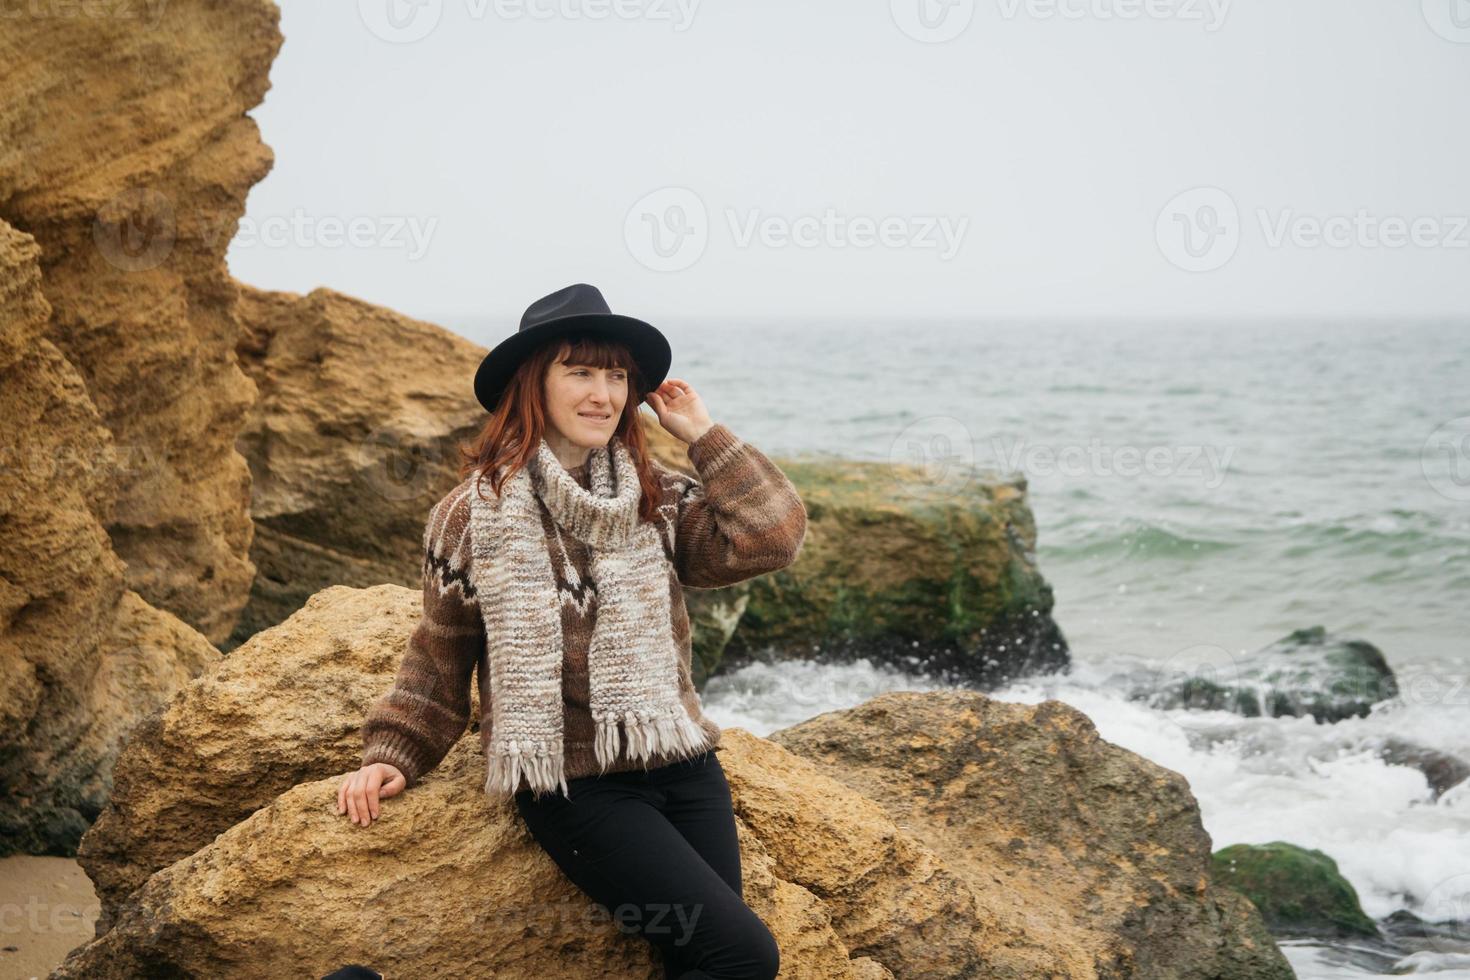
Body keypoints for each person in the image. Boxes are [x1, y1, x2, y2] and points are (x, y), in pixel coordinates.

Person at [336, 284, 806, 980]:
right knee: (742, 954)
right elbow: (439, 654)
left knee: (700, 958)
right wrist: (394, 751)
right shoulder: (469, 519)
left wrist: (705, 436)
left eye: (617, 376)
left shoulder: (656, 498)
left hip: (683, 763)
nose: (603, 393)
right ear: (535, 384)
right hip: (576, 785)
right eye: (580, 371)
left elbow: (771, 535)